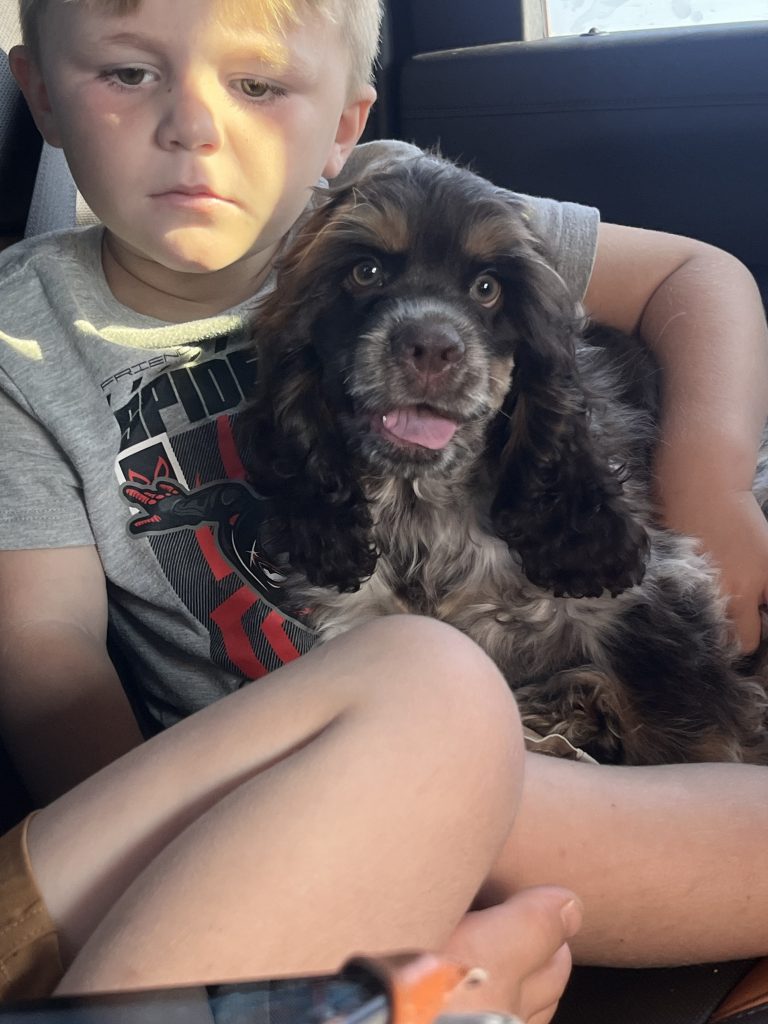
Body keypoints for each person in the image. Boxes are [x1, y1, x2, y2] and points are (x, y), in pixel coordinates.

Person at [0, 0, 768, 1005]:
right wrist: (159, 856)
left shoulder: (404, 194)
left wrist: (711, 487)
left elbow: (692, 274)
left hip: (521, 736)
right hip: (278, 780)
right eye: (129, 73)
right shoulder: (21, 339)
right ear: (40, 92)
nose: (194, 127)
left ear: (344, 122)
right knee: (440, 704)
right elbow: (46, 650)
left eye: (257, 84)